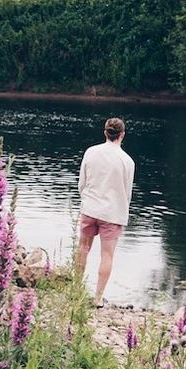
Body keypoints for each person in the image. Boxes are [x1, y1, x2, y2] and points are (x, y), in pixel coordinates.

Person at [76, 117, 135, 307]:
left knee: (82, 249)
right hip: (112, 213)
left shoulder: (91, 152)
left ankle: (75, 290)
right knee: (107, 256)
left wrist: (86, 199)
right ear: (122, 135)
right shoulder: (128, 161)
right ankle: (98, 298)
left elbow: (82, 184)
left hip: (90, 208)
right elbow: (127, 193)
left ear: (105, 133)